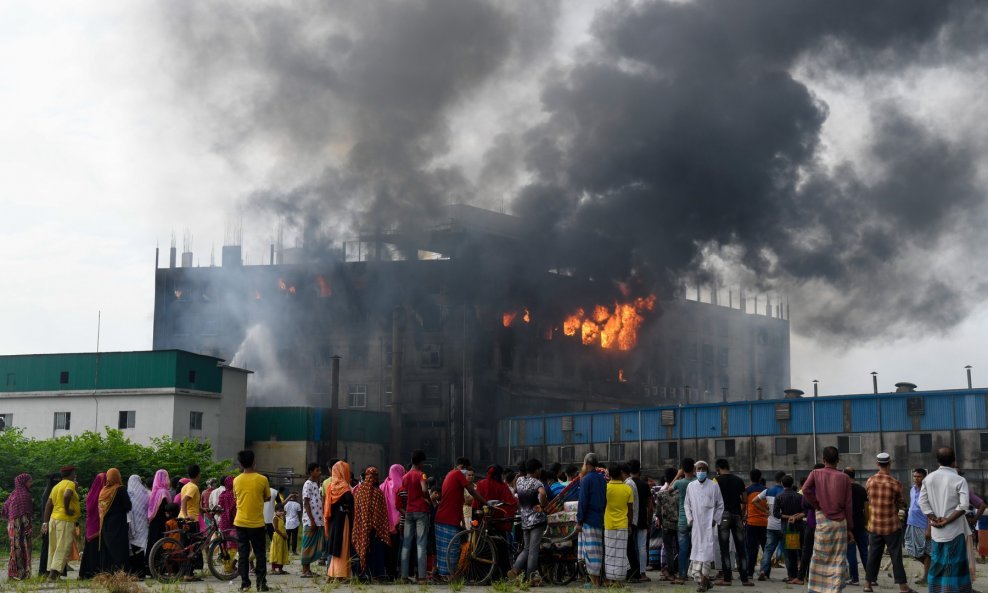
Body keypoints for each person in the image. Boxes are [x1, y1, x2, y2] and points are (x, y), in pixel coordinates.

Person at [919, 447, 972, 593]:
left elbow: (922, 502)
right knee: (953, 566)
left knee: (937, 564)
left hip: (937, 532)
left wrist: (934, 518)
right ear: (954, 461)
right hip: (954, 531)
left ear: (937, 461)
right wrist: (947, 520)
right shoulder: (960, 480)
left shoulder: (928, 479)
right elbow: (964, 506)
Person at [802, 446, 853, 593]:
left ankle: (815, 589)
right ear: (838, 460)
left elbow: (805, 490)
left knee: (819, 555)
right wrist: (850, 528)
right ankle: (835, 589)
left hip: (823, 521)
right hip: (840, 523)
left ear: (823, 460)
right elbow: (848, 505)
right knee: (838, 558)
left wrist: (817, 504)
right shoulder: (844, 478)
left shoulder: (815, 473)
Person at [434, 457, 487, 580]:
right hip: (447, 518)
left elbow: (458, 502)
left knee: (444, 549)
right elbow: (472, 492)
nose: (466, 473)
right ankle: (450, 575)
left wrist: (462, 521)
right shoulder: (457, 474)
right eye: (465, 470)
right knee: (451, 549)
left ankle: (444, 574)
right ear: (461, 467)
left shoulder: (449, 475)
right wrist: (486, 503)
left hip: (445, 517)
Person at [863, 453, 908, 593]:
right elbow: (901, 504)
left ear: (877, 464)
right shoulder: (896, 484)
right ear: (890, 463)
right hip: (891, 526)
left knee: (873, 555)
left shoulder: (870, 481)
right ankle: (903, 587)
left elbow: (869, 500)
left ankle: (867, 585)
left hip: (875, 525)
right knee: (896, 556)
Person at [233, 449, 271, 592]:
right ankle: (261, 584)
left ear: (241, 464)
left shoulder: (236, 480)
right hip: (257, 524)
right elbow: (267, 497)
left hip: (240, 522)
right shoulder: (262, 479)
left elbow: (237, 498)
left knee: (243, 554)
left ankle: (245, 584)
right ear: (254, 461)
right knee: (260, 554)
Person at [684, 460, 724, 592]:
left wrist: (715, 519)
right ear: (695, 471)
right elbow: (687, 505)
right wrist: (690, 519)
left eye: (703, 469)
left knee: (707, 553)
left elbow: (720, 505)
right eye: (698, 469)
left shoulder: (714, 486)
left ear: (707, 471)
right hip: (696, 526)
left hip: (709, 526)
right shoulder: (691, 486)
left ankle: (703, 581)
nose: (701, 471)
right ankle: (703, 580)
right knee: (696, 552)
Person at [507, 458, 548, 584]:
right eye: (539, 469)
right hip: (536, 520)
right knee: (533, 550)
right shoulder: (537, 482)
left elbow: (514, 492)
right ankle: (531, 577)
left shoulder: (519, 480)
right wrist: (542, 505)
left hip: (524, 520)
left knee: (527, 548)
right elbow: (543, 493)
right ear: (536, 470)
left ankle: (515, 570)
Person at [713, 458, 749, 586]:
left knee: (724, 547)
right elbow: (745, 500)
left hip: (723, 516)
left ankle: (727, 578)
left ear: (718, 468)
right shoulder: (739, 480)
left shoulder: (716, 481)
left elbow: (713, 499)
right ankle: (745, 579)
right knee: (741, 548)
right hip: (737, 515)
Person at [353, 466, 391, 580]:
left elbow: (357, 511)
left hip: (361, 527)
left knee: (362, 548)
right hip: (375, 530)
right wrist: (376, 525)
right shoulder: (378, 493)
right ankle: (377, 574)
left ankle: (362, 574)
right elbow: (381, 513)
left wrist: (363, 524)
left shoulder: (359, 491)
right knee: (376, 551)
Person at [43, 465, 80, 581]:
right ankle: (53, 574)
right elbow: (67, 495)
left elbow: (49, 505)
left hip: (54, 519)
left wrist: (45, 522)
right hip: (65, 520)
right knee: (63, 547)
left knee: (54, 547)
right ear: (71, 473)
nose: (75, 475)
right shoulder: (70, 483)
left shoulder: (56, 486)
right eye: (74, 473)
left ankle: (53, 572)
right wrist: (67, 509)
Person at [576, 452, 608, 586]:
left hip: (589, 519)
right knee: (598, 550)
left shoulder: (586, 480)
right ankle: (596, 580)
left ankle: (594, 582)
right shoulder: (602, 479)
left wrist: (579, 521)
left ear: (587, 464)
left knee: (590, 551)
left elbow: (582, 502)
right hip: (599, 518)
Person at [401, 450, 431, 583]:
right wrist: (428, 499)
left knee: (406, 544)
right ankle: (422, 577)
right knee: (421, 544)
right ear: (420, 462)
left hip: (409, 511)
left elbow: (405, 491)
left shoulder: (405, 476)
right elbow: (424, 489)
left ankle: (404, 576)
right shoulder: (422, 475)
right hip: (421, 511)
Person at [603, 462, 634, 584]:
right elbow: (630, 509)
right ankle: (619, 581)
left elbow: (603, 505)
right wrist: (630, 524)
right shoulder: (627, 488)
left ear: (609, 474)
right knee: (621, 554)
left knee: (610, 553)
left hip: (609, 524)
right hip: (623, 525)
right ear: (621, 474)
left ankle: (609, 579)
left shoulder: (606, 488)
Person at [97, 468, 133, 574]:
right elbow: (128, 506)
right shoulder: (120, 489)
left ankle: (108, 571)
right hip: (118, 522)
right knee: (119, 547)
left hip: (105, 523)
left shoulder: (103, 491)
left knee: (108, 546)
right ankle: (121, 571)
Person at [324, 460, 355, 579]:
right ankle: (341, 574)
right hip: (343, 519)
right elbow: (351, 502)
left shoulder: (331, 486)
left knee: (335, 545)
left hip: (333, 519)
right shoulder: (345, 487)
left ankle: (332, 572)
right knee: (343, 545)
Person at [773, 475, 804, 584]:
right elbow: (805, 511)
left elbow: (776, 514)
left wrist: (788, 517)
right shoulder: (799, 496)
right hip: (799, 526)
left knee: (789, 552)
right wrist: (795, 517)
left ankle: (792, 575)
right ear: (792, 483)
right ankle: (802, 575)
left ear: (782, 483)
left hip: (786, 527)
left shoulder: (779, 496)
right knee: (800, 551)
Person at [2, 472, 34, 580]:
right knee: (22, 548)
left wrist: (11, 519)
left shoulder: (13, 494)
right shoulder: (24, 495)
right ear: (23, 482)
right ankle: (21, 574)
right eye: (29, 481)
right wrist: (28, 528)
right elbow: (25, 514)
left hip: (12, 526)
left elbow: (5, 509)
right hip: (20, 526)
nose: (31, 483)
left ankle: (13, 574)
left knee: (15, 548)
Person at [756, 470, 786, 580]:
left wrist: (765, 511)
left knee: (768, 550)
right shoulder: (785, 491)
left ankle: (763, 571)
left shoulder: (768, 490)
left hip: (771, 525)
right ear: (784, 480)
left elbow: (755, 501)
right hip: (783, 525)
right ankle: (791, 574)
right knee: (787, 550)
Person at [672, 458, 697, 584]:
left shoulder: (679, 483)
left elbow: (668, 490)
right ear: (693, 468)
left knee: (683, 549)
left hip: (682, 519)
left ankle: (682, 575)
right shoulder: (697, 481)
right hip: (696, 520)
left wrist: (677, 474)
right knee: (697, 548)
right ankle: (696, 573)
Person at [628, 460, 652, 582]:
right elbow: (650, 505)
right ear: (639, 470)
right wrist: (649, 520)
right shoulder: (644, 485)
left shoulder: (627, 484)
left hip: (630, 520)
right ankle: (642, 573)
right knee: (642, 546)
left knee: (630, 547)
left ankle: (633, 571)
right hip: (642, 519)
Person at [79, 472, 107, 579]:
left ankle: (86, 573)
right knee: (95, 549)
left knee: (90, 549)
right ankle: (93, 572)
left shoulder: (92, 493)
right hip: (97, 524)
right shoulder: (101, 493)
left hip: (91, 525)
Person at [844, 467, 869, 586]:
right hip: (860, 524)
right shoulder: (861, 489)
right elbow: (866, 508)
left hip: (848, 525)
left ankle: (855, 579)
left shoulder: (843, 489)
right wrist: (866, 522)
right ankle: (871, 578)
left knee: (851, 553)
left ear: (845, 475)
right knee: (865, 552)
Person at [743, 468, 767, 584]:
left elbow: (743, 506)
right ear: (760, 477)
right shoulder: (766, 490)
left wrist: (743, 516)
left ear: (750, 477)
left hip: (751, 523)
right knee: (766, 548)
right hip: (764, 523)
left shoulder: (747, 490)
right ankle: (765, 572)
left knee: (752, 549)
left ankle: (750, 573)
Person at [380, 463, 405, 576]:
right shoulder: (401, 485)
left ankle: (386, 570)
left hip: (385, 522)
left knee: (386, 547)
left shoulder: (382, 486)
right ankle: (394, 571)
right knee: (397, 548)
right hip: (399, 522)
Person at [300, 462, 323, 577]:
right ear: (311, 472)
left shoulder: (315, 484)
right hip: (310, 521)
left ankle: (308, 569)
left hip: (318, 520)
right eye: (317, 470)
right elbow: (306, 502)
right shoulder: (307, 484)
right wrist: (312, 520)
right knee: (307, 544)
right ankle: (305, 570)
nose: (319, 472)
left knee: (313, 544)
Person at [657, 467, 680, 582]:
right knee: (681, 548)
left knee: (668, 549)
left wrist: (660, 522)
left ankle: (670, 571)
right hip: (679, 524)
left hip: (666, 525)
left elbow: (658, 512)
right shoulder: (679, 493)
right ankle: (681, 571)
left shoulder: (661, 494)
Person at [38, 473, 61, 576]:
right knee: (47, 547)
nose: (57, 480)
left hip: (55, 523)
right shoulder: (47, 493)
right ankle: (44, 571)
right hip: (49, 523)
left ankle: (53, 571)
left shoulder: (55, 491)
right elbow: (45, 510)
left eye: (59, 478)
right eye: (55, 479)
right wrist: (45, 523)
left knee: (55, 547)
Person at [127, 475, 150, 577]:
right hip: (143, 524)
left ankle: (134, 571)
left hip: (131, 524)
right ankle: (142, 571)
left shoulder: (128, 494)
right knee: (141, 546)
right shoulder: (145, 493)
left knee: (132, 548)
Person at [146, 469, 171, 558]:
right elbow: (164, 509)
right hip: (161, 522)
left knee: (152, 543)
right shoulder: (163, 492)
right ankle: (158, 567)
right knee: (159, 544)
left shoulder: (155, 491)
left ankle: (150, 565)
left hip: (154, 522)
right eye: (166, 477)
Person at [269, 503, 289, 575]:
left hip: (283, 538)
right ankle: (273, 569)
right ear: (276, 511)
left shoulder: (282, 518)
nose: (281, 512)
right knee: (276, 552)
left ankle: (280, 569)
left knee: (282, 552)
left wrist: (285, 535)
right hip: (278, 537)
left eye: (282, 511)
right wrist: (283, 535)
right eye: (279, 511)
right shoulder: (275, 518)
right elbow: (276, 529)